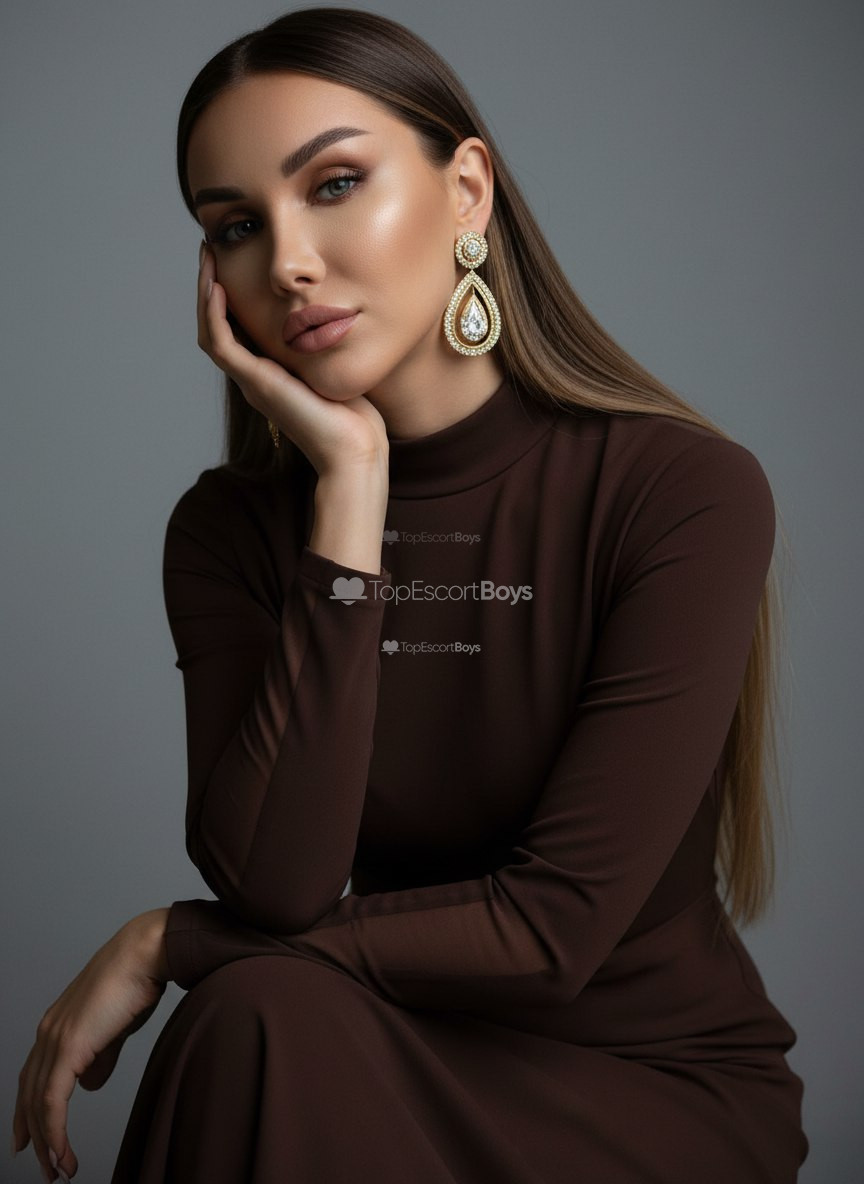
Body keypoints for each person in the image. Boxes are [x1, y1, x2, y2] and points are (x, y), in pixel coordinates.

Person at [12, 7, 809, 1182]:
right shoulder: (229, 533)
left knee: (250, 999)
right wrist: (351, 491)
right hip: (371, 1038)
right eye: (236, 226)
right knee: (256, 1015)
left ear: (467, 191)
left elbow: (550, 930)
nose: (287, 261)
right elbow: (279, 884)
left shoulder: (679, 491)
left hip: (642, 1084)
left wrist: (170, 940)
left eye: (334, 184)